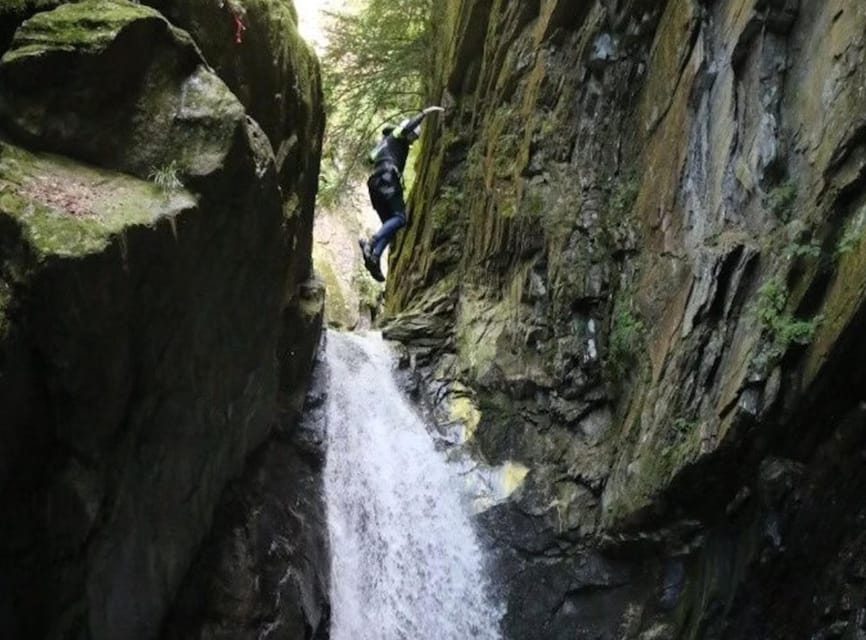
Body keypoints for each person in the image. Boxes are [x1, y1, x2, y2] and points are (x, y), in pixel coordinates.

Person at [359, 105, 444, 282]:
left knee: (390, 226)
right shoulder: (397, 135)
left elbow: (369, 158)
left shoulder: (383, 143)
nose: (412, 142)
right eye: (412, 138)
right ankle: (372, 244)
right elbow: (406, 128)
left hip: (374, 183)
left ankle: (373, 257)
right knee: (400, 218)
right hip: (388, 179)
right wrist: (424, 113)